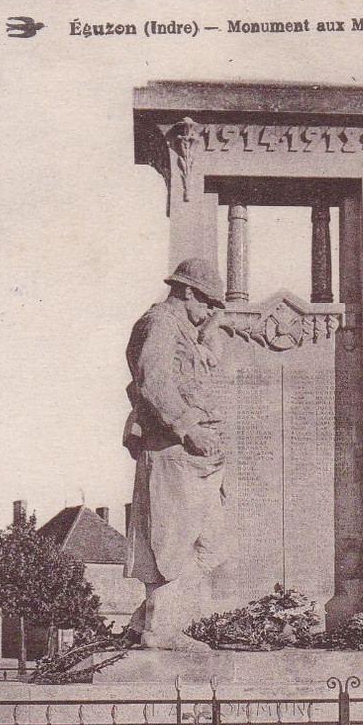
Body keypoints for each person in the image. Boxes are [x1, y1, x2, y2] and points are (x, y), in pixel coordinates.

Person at [123, 258, 230, 650]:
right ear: (186, 292)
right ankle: (162, 630)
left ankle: (146, 621)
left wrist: (210, 326)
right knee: (173, 541)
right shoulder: (161, 323)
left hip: (196, 457)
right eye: (206, 302)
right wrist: (186, 426)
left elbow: (202, 363)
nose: (210, 311)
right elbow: (153, 382)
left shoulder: (186, 327)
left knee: (211, 543)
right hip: (172, 448)